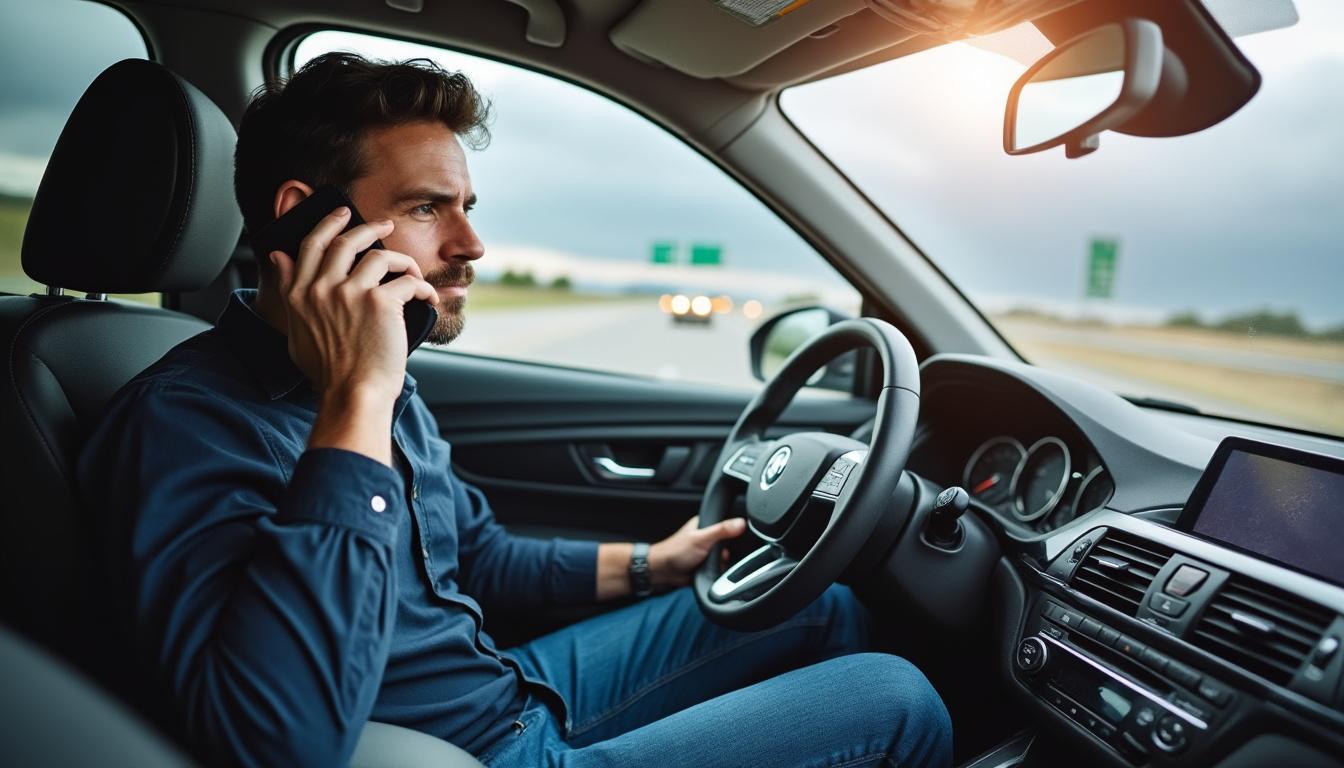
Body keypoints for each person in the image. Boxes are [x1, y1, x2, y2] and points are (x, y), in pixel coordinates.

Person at [78, 52, 952, 768]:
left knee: (812, 603)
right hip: (468, 752)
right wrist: (359, 401)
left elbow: (481, 560)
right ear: (306, 220)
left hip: (510, 684)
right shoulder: (183, 424)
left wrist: (661, 560)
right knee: (895, 700)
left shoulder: (387, 371)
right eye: (427, 208)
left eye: (466, 207)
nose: (470, 245)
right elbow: (273, 740)